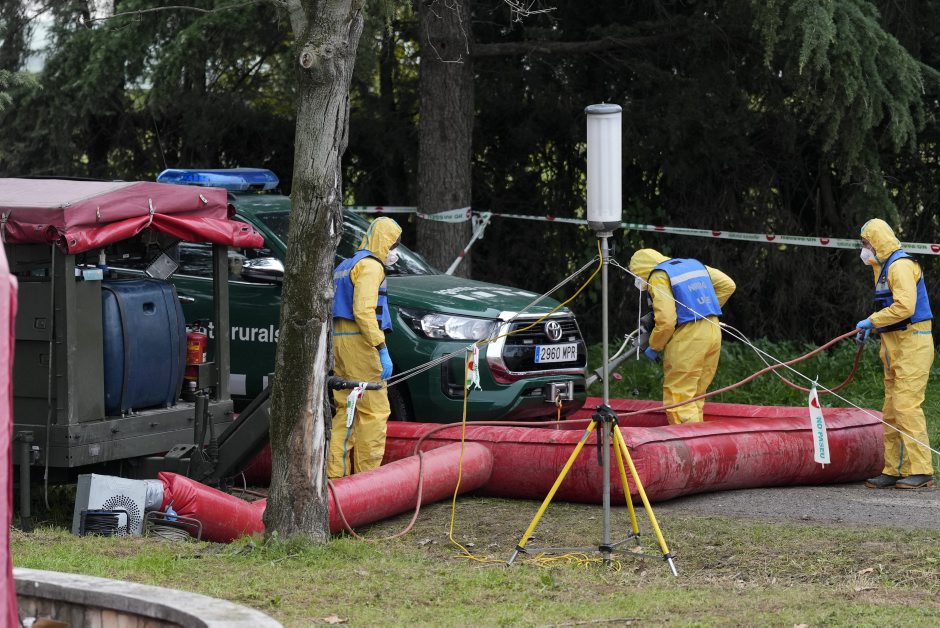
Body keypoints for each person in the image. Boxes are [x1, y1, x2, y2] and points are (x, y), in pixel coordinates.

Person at [856, 219, 935, 489]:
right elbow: (890, 309)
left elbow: (905, 307)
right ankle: (893, 469)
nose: (863, 248)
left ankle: (922, 470)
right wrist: (873, 328)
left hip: (913, 343)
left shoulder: (900, 265)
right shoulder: (882, 267)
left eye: (865, 243)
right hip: (894, 345)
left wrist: (872, 320)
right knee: (890, 411)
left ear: (876, 241)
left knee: (906, 407)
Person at [327, 216, 402, 479]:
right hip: (361, 343)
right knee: (374, 411)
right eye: (393, 244)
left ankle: (336, 477)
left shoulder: (345, 265)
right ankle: (367, 481)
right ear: (384, 241)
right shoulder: (371, 267)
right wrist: (380, 347)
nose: (394, 251)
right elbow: (363, 310)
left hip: (340, 342)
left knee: (347, 410)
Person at [628, 248, 736, 424]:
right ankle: (700, 434)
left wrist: (655, 346)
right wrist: (703, 308)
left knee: (679, 398)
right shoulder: (693, 265)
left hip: (688, 336)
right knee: (696, 395)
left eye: (636, 274)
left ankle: (688, 441)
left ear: (641, 269)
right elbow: (728, 285)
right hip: (712, 329)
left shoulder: (658, 276)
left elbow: (666, 321)